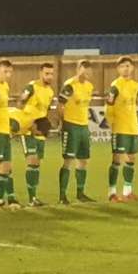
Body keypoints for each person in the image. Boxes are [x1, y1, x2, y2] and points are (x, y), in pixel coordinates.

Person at [57, 59, 95, 204]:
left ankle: (80, 193)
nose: (87, 72)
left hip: (83, 127)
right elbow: (60, 105)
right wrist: (63, 122)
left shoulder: (89, 86)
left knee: (83, 160)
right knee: (68, 161)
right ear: (78, 69)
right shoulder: (70, 85)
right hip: (71, 126)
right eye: (84, 68)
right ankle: (62, 196)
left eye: (89, 69)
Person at [18, 63, 55, 206]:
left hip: (40, 130)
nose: (49, 76)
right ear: (40, 73)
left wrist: (46, 125)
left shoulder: (50, 91)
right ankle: (31, 198)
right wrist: (25, 122)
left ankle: (34, 197)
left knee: (37, 163)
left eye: (51, 74)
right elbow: (20, 102)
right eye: (47, 73)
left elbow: (46, 110)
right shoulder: (31, 87)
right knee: (32, 160)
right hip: (28, 129)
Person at [105, 56, 138, 202]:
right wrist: (111, 123)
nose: (126, 68)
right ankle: (112, 192)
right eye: (123, 66)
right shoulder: (115, 86)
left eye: (128, 66)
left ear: (132, 68)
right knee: (117, 159)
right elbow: (109, 105)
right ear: (118, 69)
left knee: (131, 159)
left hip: (133, 128)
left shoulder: (136, 85)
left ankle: (127, 191)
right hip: (120, 128)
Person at [0, 59, 21, 209]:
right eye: (4, 71)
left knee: (6, 166)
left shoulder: (5, 86)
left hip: (4, 130)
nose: (7, 75)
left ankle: (0, 200)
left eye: (10, 72)